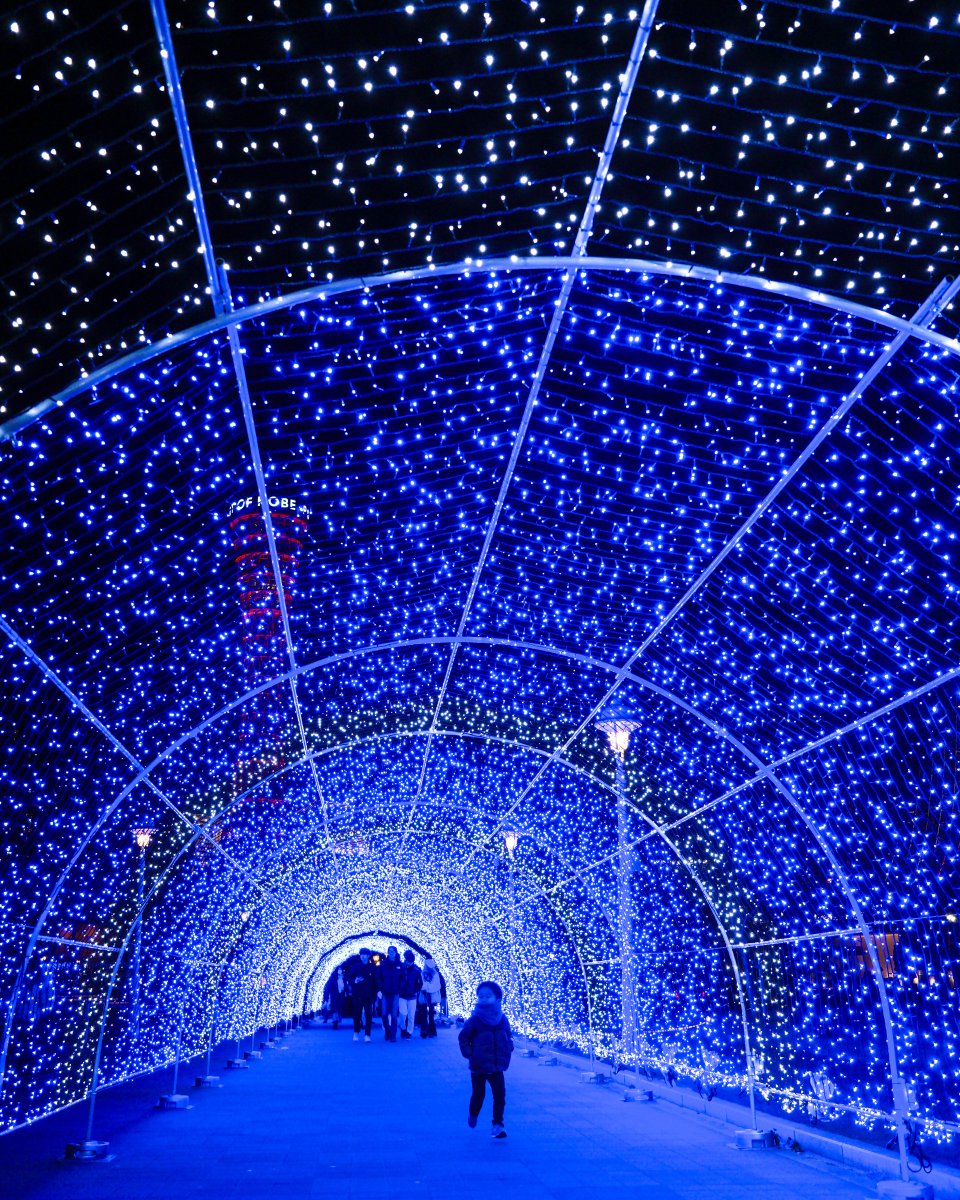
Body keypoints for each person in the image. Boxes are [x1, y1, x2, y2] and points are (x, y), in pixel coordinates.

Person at [458, 980, 513, 1139]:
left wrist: (509, 1047)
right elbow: (463, 1037)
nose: (483, 999)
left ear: (497, 998)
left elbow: (508, 1035)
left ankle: (498, 1125)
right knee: (478, 1095)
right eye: (481, 996)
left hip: (497, 1065)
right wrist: (470, 1054)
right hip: (479, 1066)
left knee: (500, 1096)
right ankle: (473, 1114)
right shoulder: (475, 1020)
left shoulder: (502, 1019)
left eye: (488, 996)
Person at [347, 948, 378, 1042]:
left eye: (365, 954)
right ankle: (356, 1032)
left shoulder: (372, 967)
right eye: (361, 954)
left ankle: (367, 1035)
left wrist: (375, 993)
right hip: (357, 994)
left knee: (368, 1015)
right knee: (357, 1015)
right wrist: (355, 981)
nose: (363, 956)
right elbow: (349, 977)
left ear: (368, 956)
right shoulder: (355, 966)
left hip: (369, 995)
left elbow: (376, 981)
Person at [377, 945, 403, 1042]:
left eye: (393, 951)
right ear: (388, 953)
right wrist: (381, 986)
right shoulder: (383, 964)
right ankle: (387, 1031)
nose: (391, 953)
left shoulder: (400, 964)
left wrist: (400, 987)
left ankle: (393, 1035)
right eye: (390, 951)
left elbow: (403, 977)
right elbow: (378, 976)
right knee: (384, 1014)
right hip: (385, 992)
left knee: (394, 1015)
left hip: (395, 993)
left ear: (396, 953)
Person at [397, 950, 422, 1039]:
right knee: (403, 1014)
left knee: (411, 1015)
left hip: (412, 995)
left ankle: (409, 1031)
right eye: (408, 961)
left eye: (410, 961)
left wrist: (416, 990)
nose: (409, 963)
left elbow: (420, 983)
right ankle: (403, 1028)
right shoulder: (401, 968)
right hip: (402, 994)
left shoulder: (416, 970)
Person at [419, 953, 441, 1038]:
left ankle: (432, 1031)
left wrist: (428, 988)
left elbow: (436, 986)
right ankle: (424, 1031)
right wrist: (425, 987)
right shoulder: (422, 973)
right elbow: (421, 984)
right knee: (423, 1014)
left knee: (431, 1014)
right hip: (424, 996)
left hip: (432, 996)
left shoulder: (435, 974)